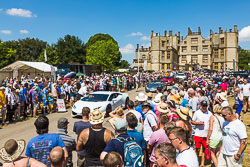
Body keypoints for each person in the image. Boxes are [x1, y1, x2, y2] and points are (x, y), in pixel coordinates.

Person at [191, 100, 212, 167]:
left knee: (204, 149)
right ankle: (196, 162)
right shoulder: (197, 113)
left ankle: (202, 163)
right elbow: (192, 121)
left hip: (206, 135)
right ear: (200, 106)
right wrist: (198, 123)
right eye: (203, 106)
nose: (204, 107)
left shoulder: (210, 113)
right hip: (198, 134)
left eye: (206, 106)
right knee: (197, 149)